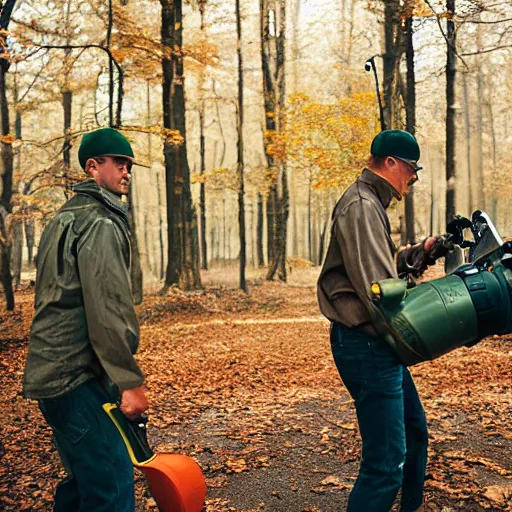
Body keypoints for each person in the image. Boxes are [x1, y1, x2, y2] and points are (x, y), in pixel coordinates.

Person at [317, 130, 451, 512]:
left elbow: (380, 267)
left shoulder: (371, 204)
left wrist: (418, 254)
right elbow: (379, 291)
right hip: (368, 346)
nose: (413, 177)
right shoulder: (360, 206)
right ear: (391, 162)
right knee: (385, 466)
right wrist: (420, 331)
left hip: (375, 346)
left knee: (414, 433)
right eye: (411, 168)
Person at [23, 127, 148, 512]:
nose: (126, 171)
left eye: (128, 164)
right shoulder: (99, 222)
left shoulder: (64, 217)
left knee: (85, 485)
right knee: (110, 485)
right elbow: (106, 308)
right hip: (73, 377)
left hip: (54, 375)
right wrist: (129, 381)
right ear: (93, 167)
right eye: (118, 163)